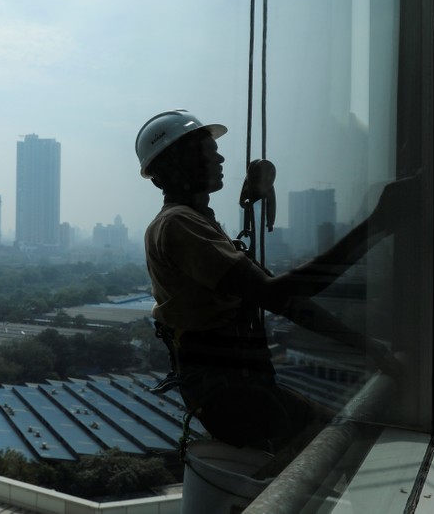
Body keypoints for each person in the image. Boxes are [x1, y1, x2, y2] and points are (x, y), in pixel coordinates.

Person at [135, 109, 409, 458]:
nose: (217, 156)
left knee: (337, 442)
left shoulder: (198, 223)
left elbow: (284, 298)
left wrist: (366, 345)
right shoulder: (178, 226)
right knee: (336, 450)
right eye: (203, 150)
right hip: (232, 396)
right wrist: (377, 225)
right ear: (167, 172)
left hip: (243, 388)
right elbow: (280, 294)